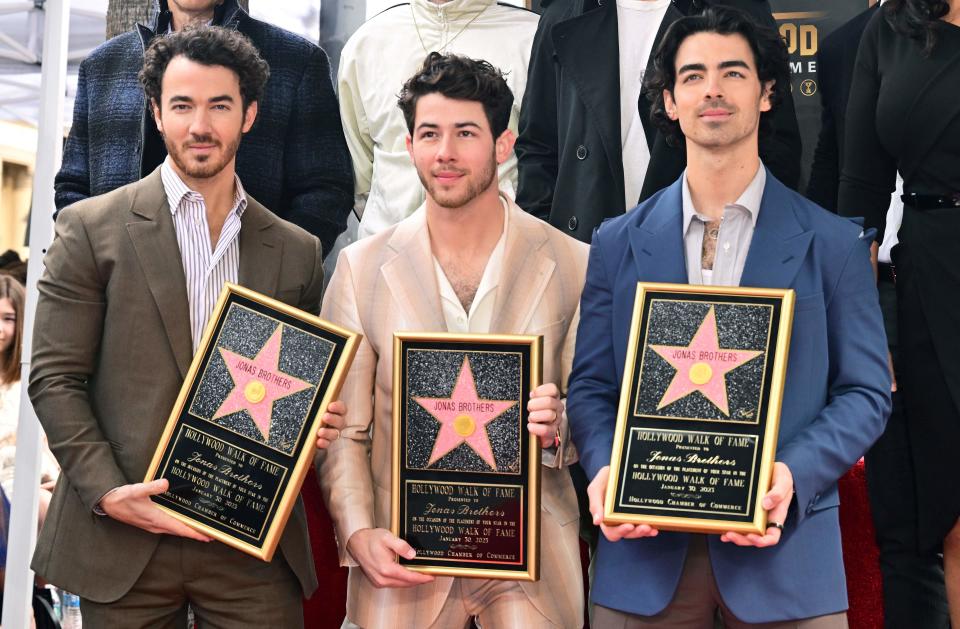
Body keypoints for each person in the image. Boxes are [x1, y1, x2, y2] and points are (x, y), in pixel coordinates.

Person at [566, 7, 891, 626]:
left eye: (732, 72)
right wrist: (609, 467)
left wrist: (792, 475)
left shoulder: (834, 244)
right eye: (692, 76)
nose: (712, 89)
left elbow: (867, 393)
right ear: (670, 100)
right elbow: (591, 387)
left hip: (785, 557)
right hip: (643, 560)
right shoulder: (615, 243)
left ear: (767, 92)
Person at [29, 27, 346, 627]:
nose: (200, 125)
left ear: (250, 115)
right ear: (156, 112)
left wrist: (313, 418)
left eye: (219, 105)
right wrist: (106, 491)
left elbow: (294, 386)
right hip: (122, 536)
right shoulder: (88, 229)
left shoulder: (296, 251)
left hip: (249, 546)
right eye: (182, 105)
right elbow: (53, 378)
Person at [319, 53, 586, 629]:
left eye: (466, 134)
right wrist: (358, 532)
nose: (445, 153)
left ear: (503, 143)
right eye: (429, 134)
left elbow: (597, 412)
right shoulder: (360, 269)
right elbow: (345, 430)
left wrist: (560, 425)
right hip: (402, 558)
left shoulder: (574, 264)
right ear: (409, 146)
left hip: (532, 562)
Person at [805, 4, 950, 626]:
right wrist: (859, 333)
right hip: (926, 288)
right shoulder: (887, 31)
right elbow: (857, 188)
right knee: (938, 510)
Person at [54, 0, 353, 258]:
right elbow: (74, 187)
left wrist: (274, 268)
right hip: (122, 291)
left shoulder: (295, 61)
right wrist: (100, 262)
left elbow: (326, 190)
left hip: (246, 294)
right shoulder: (103, 66)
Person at [515, 0, 802, 243]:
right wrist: (542, 243)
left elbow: (775, 144)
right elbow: (539, 146)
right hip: (584, 247)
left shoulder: (736, 9)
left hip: (701, 252)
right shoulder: (564, 14)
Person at [337, 0, 539, 239]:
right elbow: (360, 177)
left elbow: (546, 168)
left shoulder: (533, 39)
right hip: (385, 257)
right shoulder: (367, 43)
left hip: (504, 252)